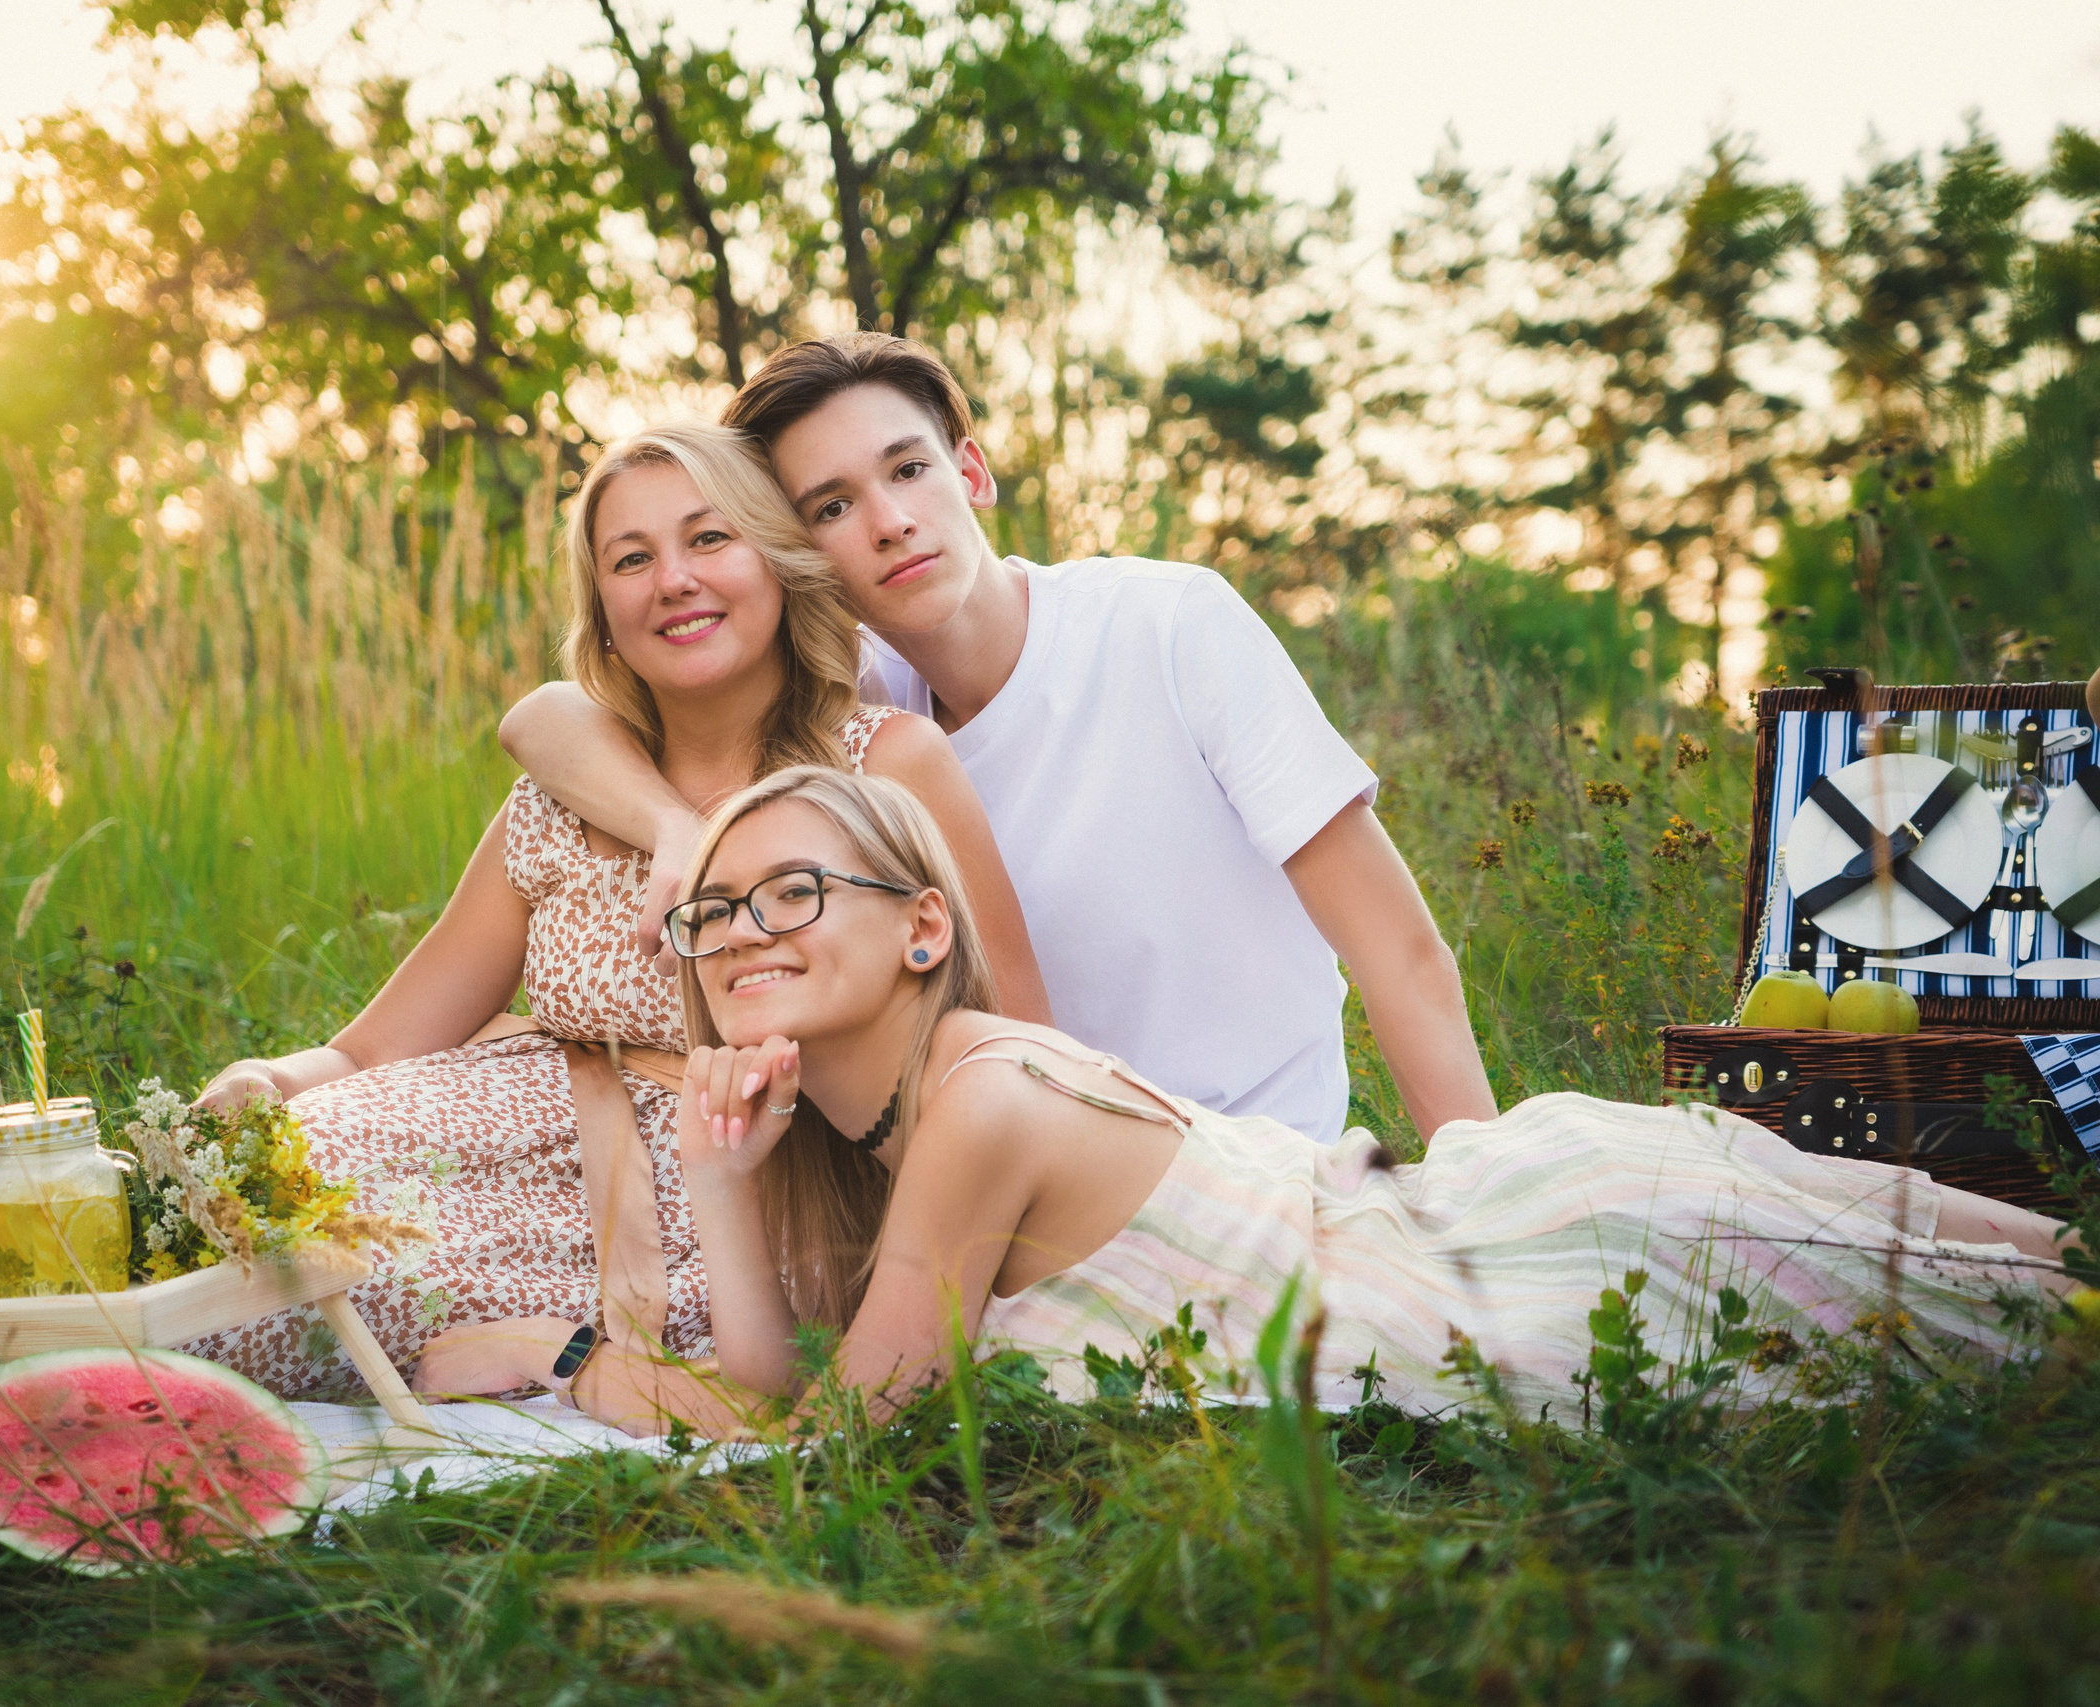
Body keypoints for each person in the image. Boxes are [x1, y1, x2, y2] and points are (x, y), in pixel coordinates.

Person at [418, 767, 2065, 1431]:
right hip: (1461, 1236)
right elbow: (804, 1385)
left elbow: (840, 1444)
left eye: (794, 890)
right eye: (711, 914)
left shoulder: (981, 1098)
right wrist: (726, 1168)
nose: (742, 932)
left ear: (926, 925)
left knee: (2034, 1332)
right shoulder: (875, 1128)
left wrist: (562, 1358)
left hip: (1526, 1274)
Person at [177, 424, 1047, 1398]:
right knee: (177, 1216)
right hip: (467, 1147)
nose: (671, 579)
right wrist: (267, 1076)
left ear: (776, 557)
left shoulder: (879, 763)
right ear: (604, 612)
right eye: (631, 560)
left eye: (708, 539)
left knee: (237, 1309)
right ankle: (10, 1373)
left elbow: (1013, 1044)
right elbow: (375, 1048)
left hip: (713, 1207)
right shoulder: (560, 797)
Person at [499, 334, 1491, 1145]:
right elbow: (547, 716)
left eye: (908, 470)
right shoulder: (858, 719)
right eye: (831, 507)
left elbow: (1398, 954)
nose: (888, 522)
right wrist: (674, 827)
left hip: (1246, 1163)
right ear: (793, 548)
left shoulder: (1168, 626)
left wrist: (1476, 1222)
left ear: (969, 471)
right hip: (1020, 1178)